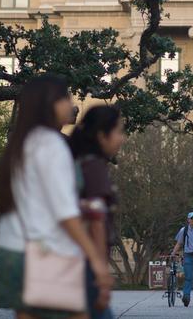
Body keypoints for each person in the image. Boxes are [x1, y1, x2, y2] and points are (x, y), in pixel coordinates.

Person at [0, 75, 113, 319]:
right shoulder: (51, 144)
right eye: (65, 98)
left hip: (13, 252)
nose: (71, 105)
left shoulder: (21, 144)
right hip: (46, 251)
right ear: (49, 104)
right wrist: (96, 261)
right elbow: (64, 212)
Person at [68, 105, 126, 319]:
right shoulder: (94, 166)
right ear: (102, 136)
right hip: (88, 267)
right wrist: (101, 272)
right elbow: (96, 221)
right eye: (119, 132)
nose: (122, 139)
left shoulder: (79, 162)